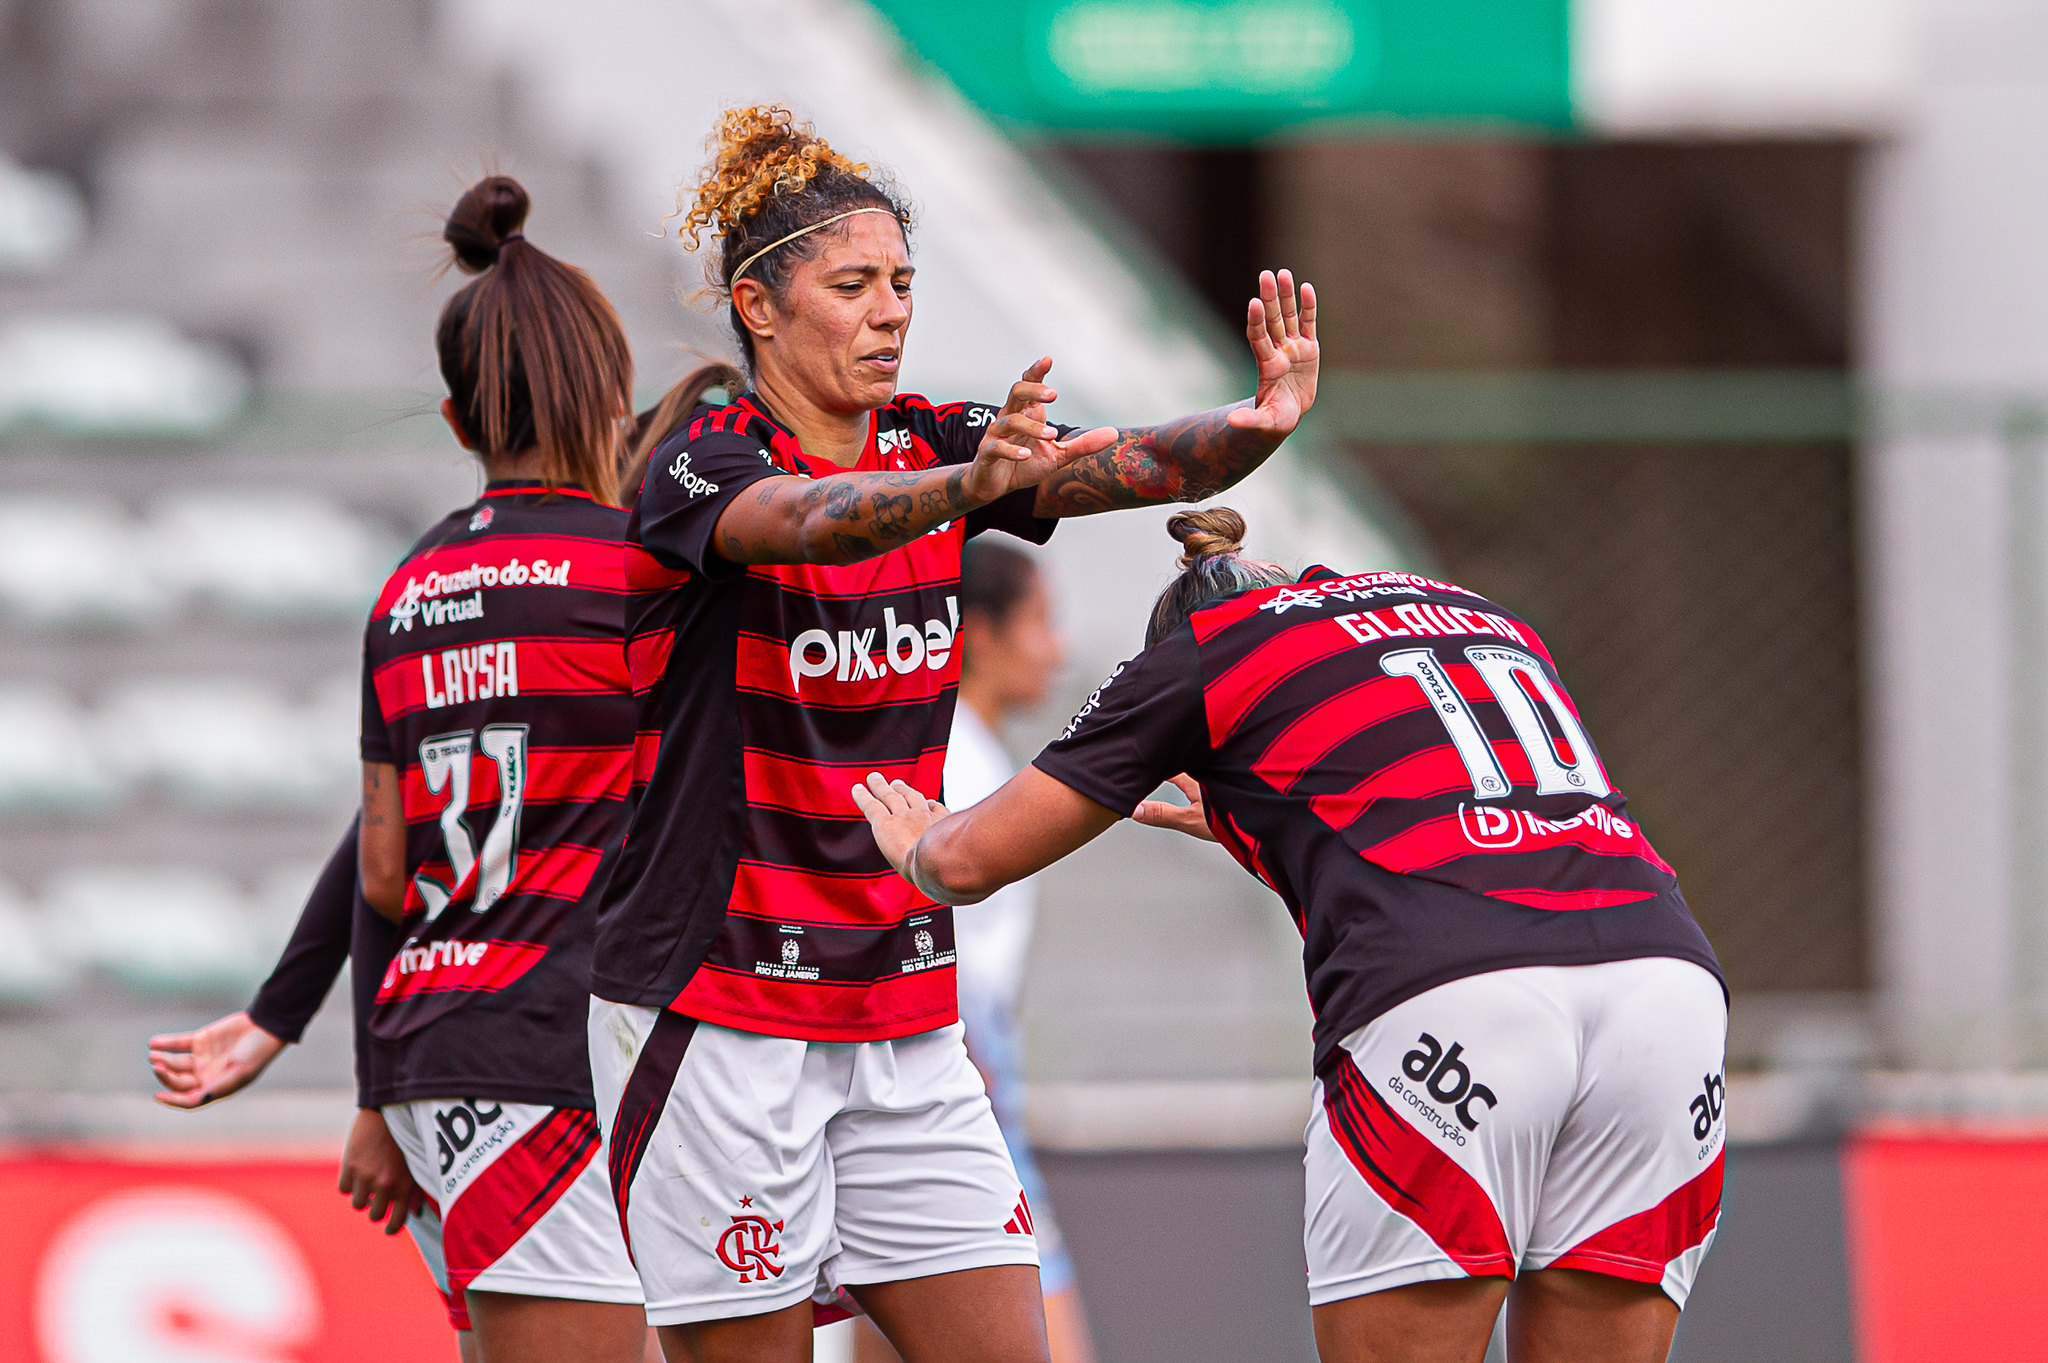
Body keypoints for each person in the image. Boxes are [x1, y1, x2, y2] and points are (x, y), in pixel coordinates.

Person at [588, 105, 1318, 1363]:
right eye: (853, 285)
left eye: (904, 285)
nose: (889, 312)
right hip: (719, 1007)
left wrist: (1242, 434)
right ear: (759, 309)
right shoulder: (698, 466)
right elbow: (816, 523)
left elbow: (1117, 460)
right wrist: (965, 490)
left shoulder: (934, 440)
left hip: (904, 1009)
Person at [852, 508, 1728, 1363]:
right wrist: (1259, 822)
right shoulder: (1476, 610)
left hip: (1456, 1002)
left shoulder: (1208, 652)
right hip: (1668, 991)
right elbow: (1458, 810)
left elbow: (969, 862)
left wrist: (916, 844)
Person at [353, 172, 650, 1363]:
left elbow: (385, 874)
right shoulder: (639, 574)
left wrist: (373, 1094)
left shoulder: (403, 591)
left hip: (440, 1054)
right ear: (615, 396)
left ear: (457, 422)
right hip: (559, 1057)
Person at [853, 541, 1093, 1363]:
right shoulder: (950, 757)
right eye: (1041, 624)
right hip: (954, 1085)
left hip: (948, 1077)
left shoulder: (973, 750)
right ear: (980, 634)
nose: (1056, 650)